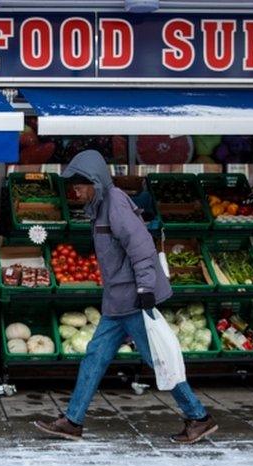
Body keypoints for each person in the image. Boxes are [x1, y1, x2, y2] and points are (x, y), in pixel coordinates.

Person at [35, 150, 218, 444]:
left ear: (95, 181)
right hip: (117, 301)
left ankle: (198, 416)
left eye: (80, 185)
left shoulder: (115, 203)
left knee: (159, 359)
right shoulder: (99, 207)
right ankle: (72, 420)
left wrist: (146, 289)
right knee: (95, 356)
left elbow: (141, 246)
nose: (76, 191)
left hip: (133, 300)